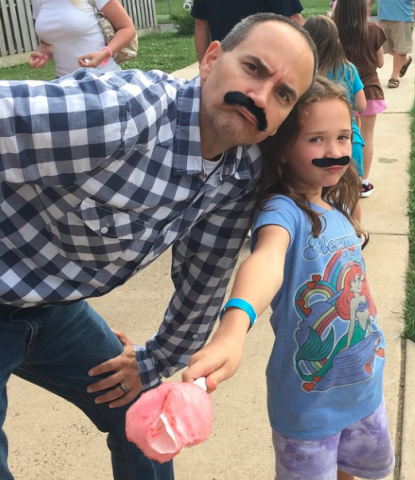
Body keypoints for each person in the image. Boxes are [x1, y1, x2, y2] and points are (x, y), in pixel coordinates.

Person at [0, 13, 317, 480]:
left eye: (283, 94)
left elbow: (203, 282)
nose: (261, 97)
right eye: (253, 68)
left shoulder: (238, 173)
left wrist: (154, 361)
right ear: (211, 59)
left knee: (147, 416)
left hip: (52, 305)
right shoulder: (123, 113)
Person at [183, 76, 394, 480]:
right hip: (309, 406)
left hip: (364, 389)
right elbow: (265, 261)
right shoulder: (283, 212)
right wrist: (233, 327)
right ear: (281, 150)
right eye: (316, 140)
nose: (335, 152)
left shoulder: (330, 202)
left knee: (356, 472)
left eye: (344, 137)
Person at [304, 15, 367, 225]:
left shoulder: (306, 72)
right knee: (351, 192)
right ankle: (356, 233)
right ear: (336, 40)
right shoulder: (348, 68)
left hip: (317, 146)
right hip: (350, 143)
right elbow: (363, 105)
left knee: (323, 196)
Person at [334, 0, 387, 197]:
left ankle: (345, 178)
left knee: (347, 136)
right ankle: (363, 182)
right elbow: (381, 63)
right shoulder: (373, 29)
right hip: (370, 90)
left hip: (343, 91)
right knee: (367, 137)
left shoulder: (335, 30)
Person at [29, 0, 136, 78]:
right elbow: (46, 43)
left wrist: (104, 53)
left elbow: (127, 28)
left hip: (103, 78)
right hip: (65, 84)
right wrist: (43, 55)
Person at [191, 0, 304, 61]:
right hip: (266, 64)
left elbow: (201, 24)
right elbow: (294, 19)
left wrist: (204, 66)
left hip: (224, 62)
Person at [368, 0, 415, 89]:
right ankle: (405, 60)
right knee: (381, 47)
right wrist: (368, 5)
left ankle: (394, 77)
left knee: (401, 48)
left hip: (403, 16)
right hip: (383, 16)